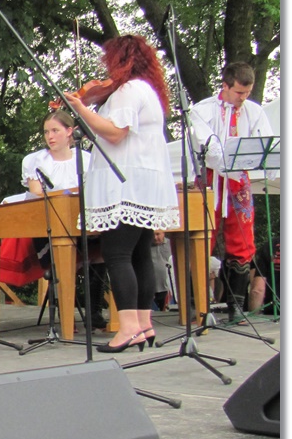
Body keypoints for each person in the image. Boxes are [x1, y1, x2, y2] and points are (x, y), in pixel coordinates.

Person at [64, 34, 179, 352]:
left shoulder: (128, 91)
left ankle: (127, 328)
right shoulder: (147, 90)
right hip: (144, 180)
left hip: (125, 182)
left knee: (116, 253)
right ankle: (143, 324)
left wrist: (80, 108)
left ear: (121, 59)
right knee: (140, 253)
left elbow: (115, 133)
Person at [188, 62, 275, 325]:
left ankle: (236, 306)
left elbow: (265, 142)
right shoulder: (202, 110)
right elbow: (208, 147)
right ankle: (198, 305)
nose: (243, 98)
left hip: (238, 179)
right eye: (238, 92)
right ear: (225, 86)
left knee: (243, 241)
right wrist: (227, 161)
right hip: (210, 179)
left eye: (247, 93)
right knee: (202, 237)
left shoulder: (254, 111)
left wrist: (266, 163)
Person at [21, 110, 108, 330]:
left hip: (84, 224)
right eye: (46, 132)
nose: (49, 136)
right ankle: (65, 314)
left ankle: (94, 311)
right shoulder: (36, 161)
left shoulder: (86, 160)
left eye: (55, 131)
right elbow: (37, 194)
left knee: (105, 246)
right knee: (63, 249)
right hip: (48, 226)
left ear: (70, 131)